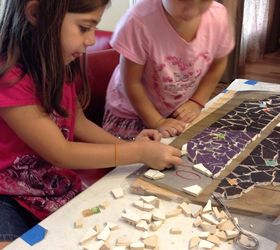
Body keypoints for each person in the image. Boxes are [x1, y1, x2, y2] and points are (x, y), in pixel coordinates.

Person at [0, 0, 183, 247]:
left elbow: (79, 123)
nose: (90, 40)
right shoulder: (10, 78)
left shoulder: (60, 64)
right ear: (36, 13)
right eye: (84, 28)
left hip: (52, 185)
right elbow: (61, 152)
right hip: (7, 198)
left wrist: (126, 146)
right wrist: (137, 152)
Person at [103, 0, 235, 140]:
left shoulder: (218, 16)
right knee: (137, 160)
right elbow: (131, 83)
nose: (192, 9)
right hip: (132, 113)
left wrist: (196, 101)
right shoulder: (138, 20)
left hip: (175, 109)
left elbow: (218, 65)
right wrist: (157, 122)